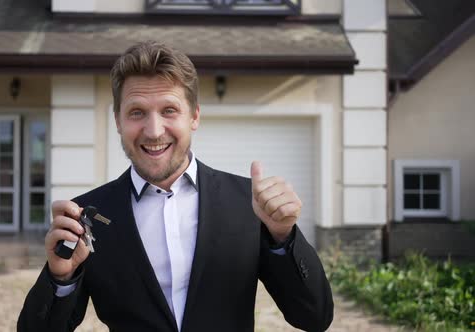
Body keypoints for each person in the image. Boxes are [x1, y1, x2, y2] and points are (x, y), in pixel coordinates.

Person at [18, 41, 333, 332]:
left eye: (169, 110)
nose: (154, 131)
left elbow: (314, 317)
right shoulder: (87, 216)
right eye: (137, 112)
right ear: (117, 121)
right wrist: (61, 278)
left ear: (194, 116)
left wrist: (283, 238)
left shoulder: (248, 204)